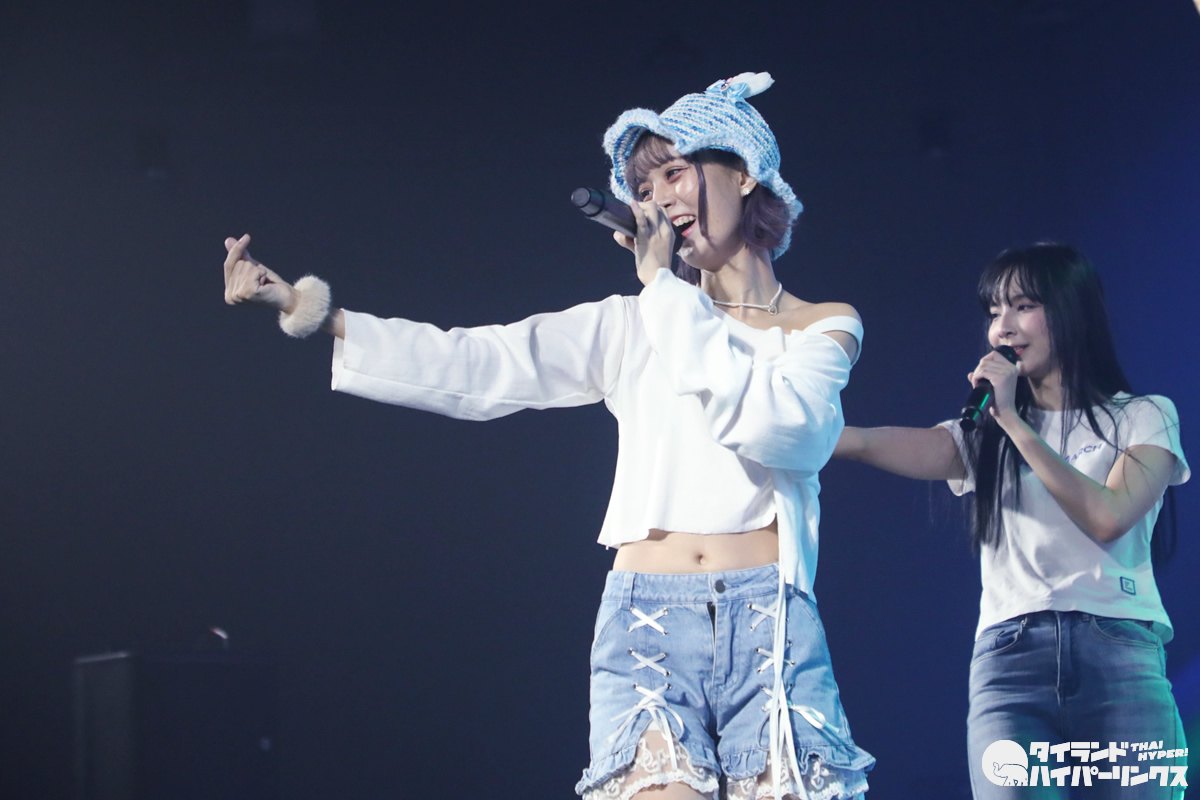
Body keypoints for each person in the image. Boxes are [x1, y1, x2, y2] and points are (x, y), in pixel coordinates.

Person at [223, 72, 874, 800]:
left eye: (674, 172)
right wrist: (311, 310)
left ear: (744, 171)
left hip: (769, 620)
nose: (659, 198)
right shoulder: (632, 323)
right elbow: (480, 363)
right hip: (650, 619)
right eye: (644, 186)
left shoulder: (820, 325)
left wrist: (665, 292)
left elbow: (784, 432)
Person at [833, 243, 1188, 798]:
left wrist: (1013, 423)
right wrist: (774, 428)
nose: (1003, 326)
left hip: (1119, 654)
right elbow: (859, 442)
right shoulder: (983, 437)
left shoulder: (1144, 415)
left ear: (1072, 310)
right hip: (1010, 663)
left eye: (1023, 306)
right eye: (994, 311)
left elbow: (1108, 516)